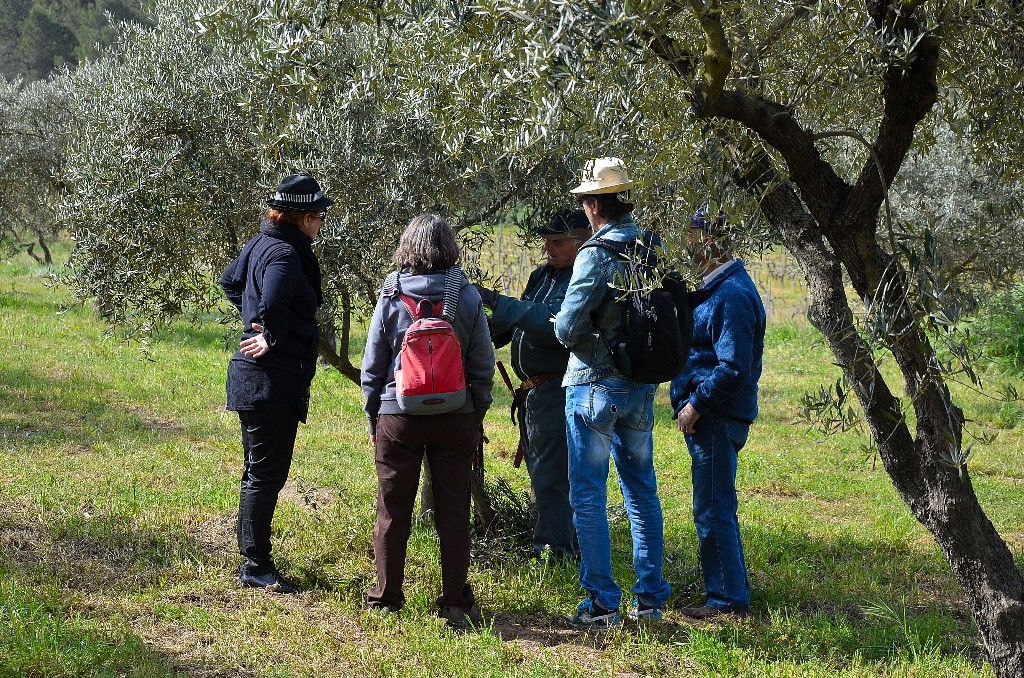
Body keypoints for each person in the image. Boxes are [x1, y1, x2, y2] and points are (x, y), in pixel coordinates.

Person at [360, 214, 495, 630]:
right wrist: (476, 412)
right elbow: (482, 364)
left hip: (397, 416)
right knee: (453, 512)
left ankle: (386, 599)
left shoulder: (390, 292)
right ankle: (455, 603)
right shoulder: (467, 295)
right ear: (449, 247)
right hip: (456, 417)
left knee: (392, 509)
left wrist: (375, 414)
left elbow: (372, 366)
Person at [553, 157, 671, 628]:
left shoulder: (596, 254)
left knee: (588, 494)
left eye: (584, 200)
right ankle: (651, 602)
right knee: (642, 492)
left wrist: (572, 333)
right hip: (640, 387)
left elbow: (566, 327)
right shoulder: (652, 246)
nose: (582, 209)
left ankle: (602, 603)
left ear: (597, 205)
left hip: (593, 386)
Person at [220, 174, 333, 594]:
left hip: (252, 378)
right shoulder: (286, 254)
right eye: (319, 216)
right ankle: (257, 567)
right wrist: (268, 331)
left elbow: (230, 281)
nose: (321, 223)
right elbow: (276, 298)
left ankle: (254, 561)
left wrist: (252, 317)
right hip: (271, 380)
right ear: (304, 218)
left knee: (257, 473)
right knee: (266, 476)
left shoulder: (259, 243)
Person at [474, 209, 590, 563]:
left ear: (580, 241)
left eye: (557, 242)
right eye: (547, 241)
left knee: (552, 478)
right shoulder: (542, 276)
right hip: (532, 395)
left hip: (556, 391)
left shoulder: (580, 280)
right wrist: (473, 325)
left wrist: (495, 300)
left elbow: (549, 326)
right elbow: (514, 325)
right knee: (543, 474)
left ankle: (555, 556)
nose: (548, 248)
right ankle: (558, 548)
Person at [670, 210, 766, 619]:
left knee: (713, 507)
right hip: (717, 416)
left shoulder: (731, 295)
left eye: (690, 236)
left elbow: (733, 368)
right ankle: (728, 589)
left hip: (717, 417)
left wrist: (696, 404)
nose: (686, 245)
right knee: (715, 503)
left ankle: (728, 601)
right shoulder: (717, 288)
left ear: (710, 241)